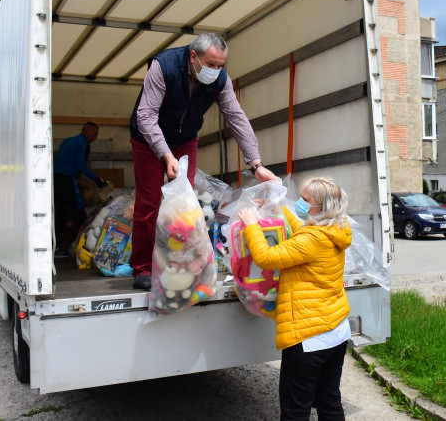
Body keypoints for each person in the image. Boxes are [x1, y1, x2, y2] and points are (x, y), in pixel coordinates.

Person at [129, 32, 278, 289]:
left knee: (184, 205)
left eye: (220, 65)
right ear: (193, 56)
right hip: (147, 138)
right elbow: (146, 115)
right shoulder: (163, 67)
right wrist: (166, 155)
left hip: (185, 139)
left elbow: (236, 117)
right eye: (211, 64)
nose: (216, 70)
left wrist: (256, 164)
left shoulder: (220, 79)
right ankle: (143, 267)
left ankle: (178, 265)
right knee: (149, 203)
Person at [238, 176, 352, 421]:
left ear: (320, 207)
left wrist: (251, 226)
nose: (299, 202)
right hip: (336, 330)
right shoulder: (334, 229)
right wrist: (277, 208)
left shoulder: (312, 239)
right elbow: (302, 233)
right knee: (329, 400)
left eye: (305, 199)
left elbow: (267, 258)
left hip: (309, 336)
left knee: (295, 410)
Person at [53, 122, 106, 256]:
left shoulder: (68, 141)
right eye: (94, 134)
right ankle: (81, 245)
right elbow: (80, 165)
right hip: (67, 179)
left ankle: (56, 245)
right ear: (86, 131)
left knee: (60, 212)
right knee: (79, 212)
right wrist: (97, 180)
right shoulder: (82, 143)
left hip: (55, 178)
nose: (95, 137)